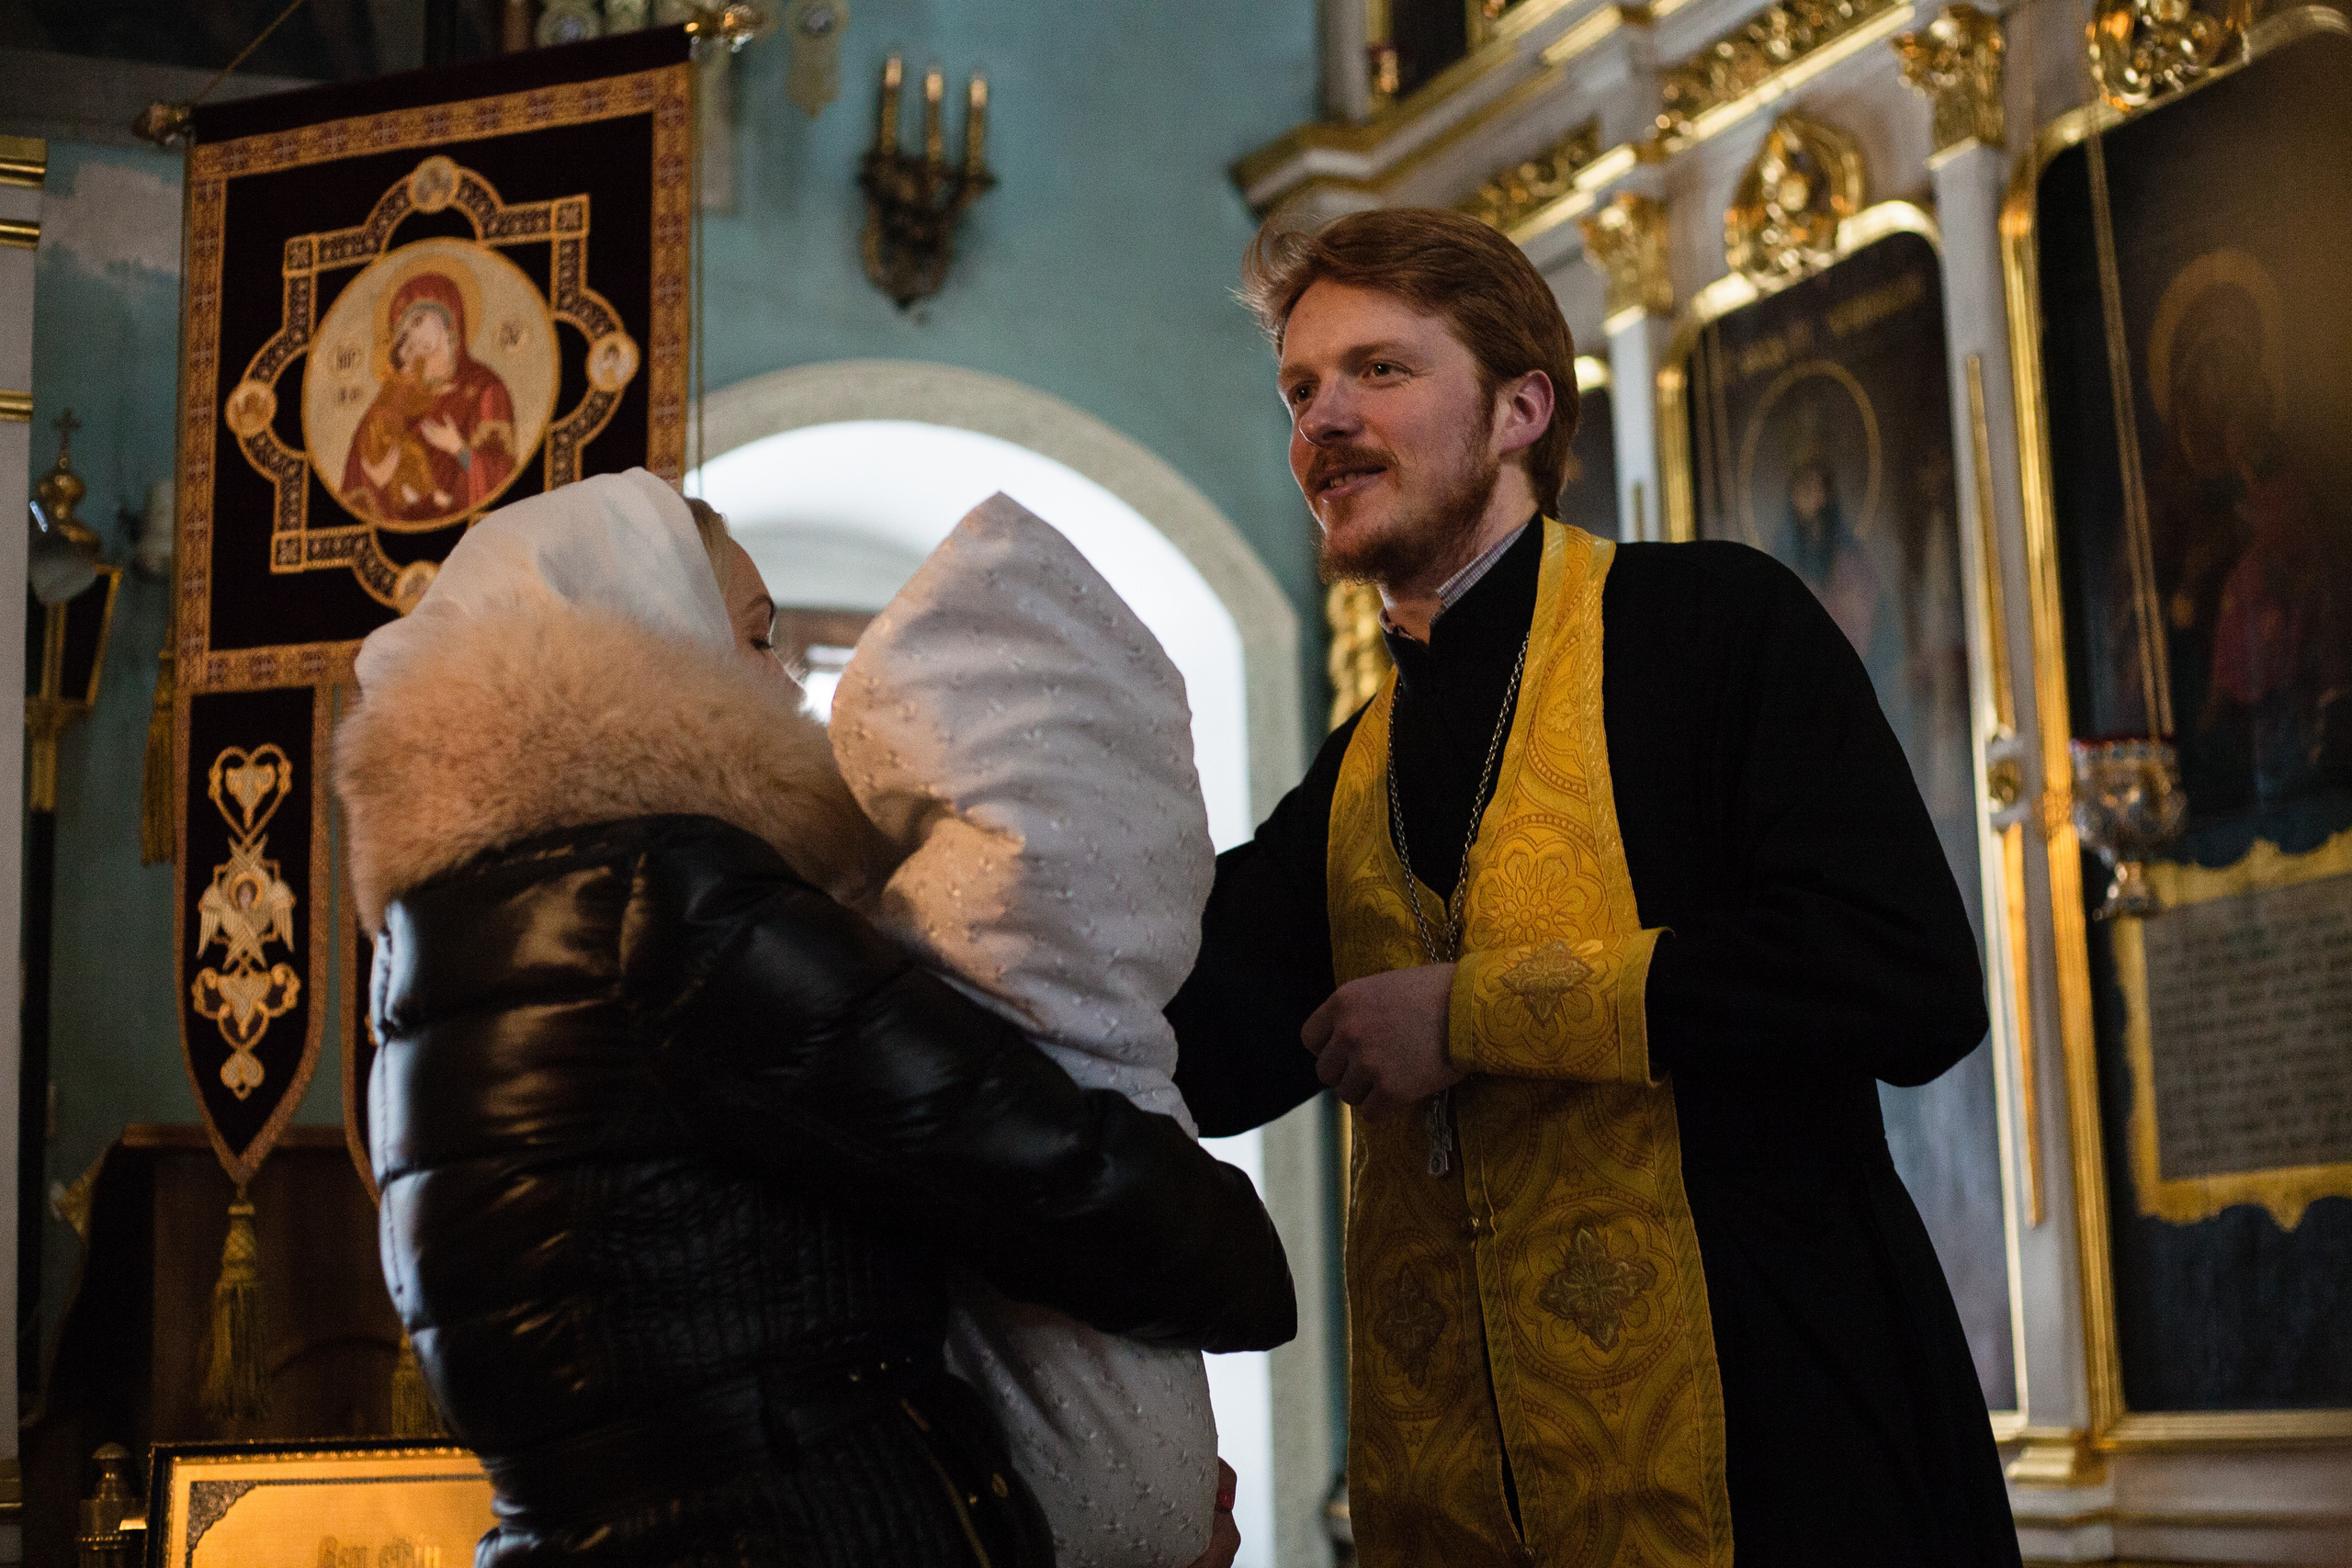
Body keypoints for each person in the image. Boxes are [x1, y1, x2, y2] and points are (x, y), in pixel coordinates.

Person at [1167, 208, 2019, 1567]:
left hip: (1780, 1466)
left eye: (1378, 371)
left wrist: (1474, 1015)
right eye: (1300, 387)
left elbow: (1904, 971)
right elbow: (1193, 1051)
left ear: (1521, 409)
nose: (1321, 418)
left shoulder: (1714, 628)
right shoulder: (1357, 770)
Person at [335, 468, 1288, 1567]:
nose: (780, 682)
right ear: (646, 640)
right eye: (749, 640)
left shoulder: (440, 949)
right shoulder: (666, 909)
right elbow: (1039, 1173)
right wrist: (1242, 1261)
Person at [341, 267, 517, 522]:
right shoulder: (393, 396)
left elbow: (504, 476)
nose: (410, 337)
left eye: (417, 322)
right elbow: (358, 478)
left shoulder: (486, 388)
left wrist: (459, 448)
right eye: (401, 333)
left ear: (449, 319)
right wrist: (376, 478)